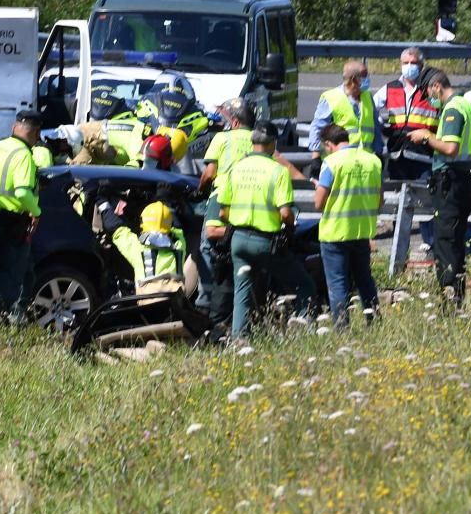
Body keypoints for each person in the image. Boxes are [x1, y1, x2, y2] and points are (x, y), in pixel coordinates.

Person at [216, 121, 316, 338]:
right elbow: (285, 213)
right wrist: (289, 227)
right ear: (273, 143)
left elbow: (222, 213)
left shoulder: (236, 169)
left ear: (253, 143)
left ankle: (239, 339)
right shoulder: (278, 172)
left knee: (242, 292)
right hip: (265, 242)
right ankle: (301, 327)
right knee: (304, 283)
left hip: (238, 240)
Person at [406, 70, 471, 312]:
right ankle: (456, 299)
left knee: (446, 244)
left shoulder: (453, 109)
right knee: (454, 243)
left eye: (429, 93)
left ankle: (450, 303)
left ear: (436, 86)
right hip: (460, 181)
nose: (430, 100)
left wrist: (426, 137)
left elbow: (450, 148)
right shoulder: (466, 105)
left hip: (450, 184)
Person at [313, 123, 383, 327]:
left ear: (329, 143)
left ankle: (342, 327)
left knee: (338, 283)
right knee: (364, 280)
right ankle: (375, 321)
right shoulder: (372, 161)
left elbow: (319, 203)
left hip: (335, 233)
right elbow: (379, 201)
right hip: (361, 232)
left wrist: (319, 188)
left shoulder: (332, 163)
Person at [194, 98, 256, 313]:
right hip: (250, 197)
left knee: (207, 246)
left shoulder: (222, 138)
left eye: (227, 118)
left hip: (222, 195)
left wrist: (199, 189)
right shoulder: (257, 140)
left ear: (236, 122)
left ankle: (205, 302)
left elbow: (210, 173)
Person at [373, 47, 439, 250]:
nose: (409, 67)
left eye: (414, 63)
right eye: (406, 62)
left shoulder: (430, 90)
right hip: (397, 154)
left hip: (422, 155)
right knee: (397, 199)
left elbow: (442, 114)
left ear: (421, 65)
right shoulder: (390, 88)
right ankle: (399, 241)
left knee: (426, 199)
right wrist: (381, 128)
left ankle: (430, 242)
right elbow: (372, 109)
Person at [0, 110, 44, 322]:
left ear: (14, 127)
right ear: (36, 133)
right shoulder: (24, 156)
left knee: (25, 272)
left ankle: (17, 316)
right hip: (15, 221)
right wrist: (36, 212)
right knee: (12, 275)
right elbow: (21, 192)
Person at [308, 60, 382, 177]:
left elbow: (375, 128)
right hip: (339, 163)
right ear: (353, 79)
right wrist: (316, 157)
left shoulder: (368, 97)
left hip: (364, 163)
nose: (367, 78)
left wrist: (379, 153)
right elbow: (317, 128)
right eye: (364, 76)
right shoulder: (331, 98)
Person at [98, 199, 187, 296]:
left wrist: (102, 202)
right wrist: (164, 200)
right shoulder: (179, 246)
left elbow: (117, 230)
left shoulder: (138, 249)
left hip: (147, 307)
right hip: (176, 305)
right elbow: (177, 229)